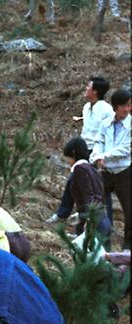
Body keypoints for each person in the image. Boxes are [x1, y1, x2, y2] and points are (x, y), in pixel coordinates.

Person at [48, 77, 114, 224]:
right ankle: (64, 214)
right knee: (74, 182)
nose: (85, 89)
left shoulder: (106, 110)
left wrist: (100, 156)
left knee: (99, 189)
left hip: (98, 153)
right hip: (84, 151)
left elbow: (106, 135)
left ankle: (105, 225)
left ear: (95, 91)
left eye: (88, 87)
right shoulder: (86, 107)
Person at [90, 89, 131, 249]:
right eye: (124, 106)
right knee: (99, 206)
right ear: (115, 106)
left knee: (129, 211)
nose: (127, 109)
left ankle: (127, 247)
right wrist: (95, 155)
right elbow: (99, 140)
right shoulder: (106, 121)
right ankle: (102, 243)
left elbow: (125, 149)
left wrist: (105, 155)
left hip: (124, 172)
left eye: (129, 106)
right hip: (106, 172)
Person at [57, 137, 111, 242]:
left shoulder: (79, 169)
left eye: (68, 158)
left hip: (95, 223)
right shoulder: (92, 169)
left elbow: (88, 196)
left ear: (73, 153)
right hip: (103, 220)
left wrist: (88, 217)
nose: (68, 161)